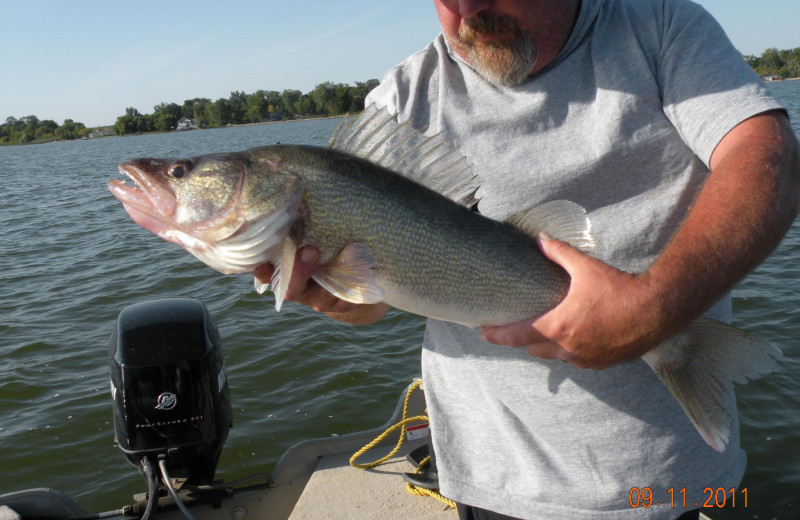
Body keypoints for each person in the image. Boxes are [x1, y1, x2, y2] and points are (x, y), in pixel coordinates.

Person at [255, 0, 800, 518]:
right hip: (492, 479)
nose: (467, 11)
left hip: (663, 480)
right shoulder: (404, 98)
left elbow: (766, 156)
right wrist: (335, 297)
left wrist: (655, 308)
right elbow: (371, 304)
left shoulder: (659, 26)